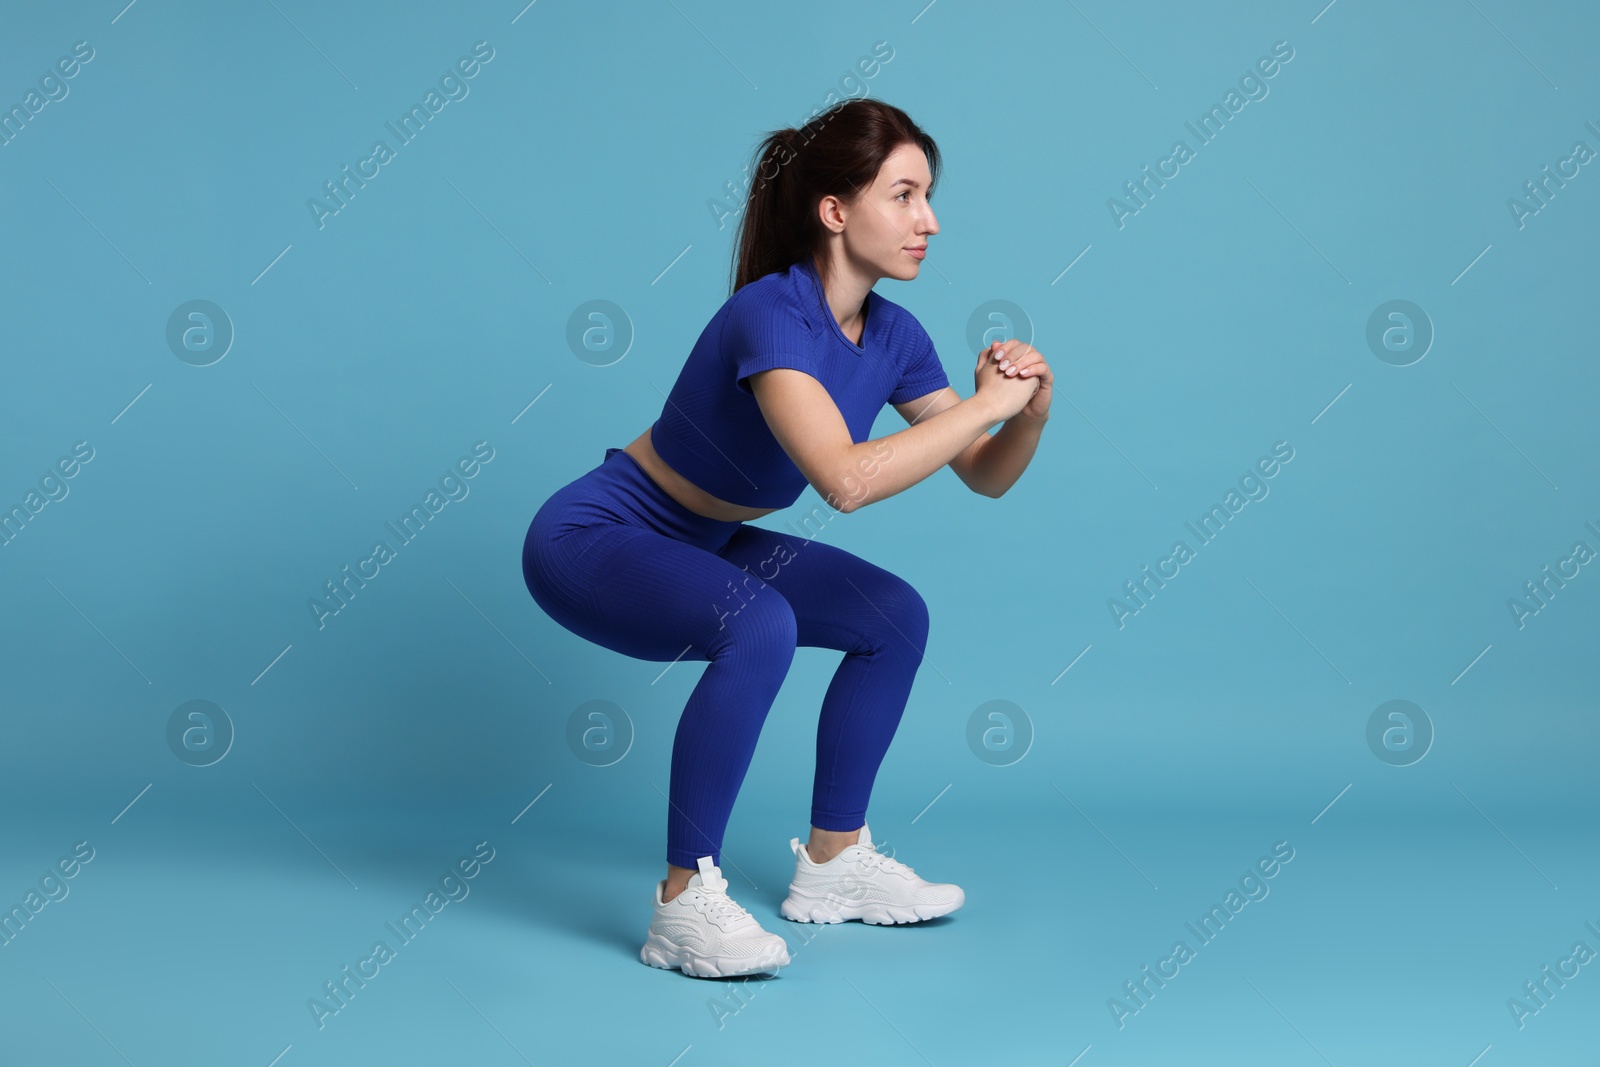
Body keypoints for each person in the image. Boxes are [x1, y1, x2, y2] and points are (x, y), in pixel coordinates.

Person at [521, 98, 1053, 979]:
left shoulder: (895, 334)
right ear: (835, 211)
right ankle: (682, 904)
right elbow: (844, 481)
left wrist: (1026, 414)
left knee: (893, 615)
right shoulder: (770, 316)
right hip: (598, 532)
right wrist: (986, 407)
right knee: (757, 621)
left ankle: (835, 865)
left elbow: (982, 472)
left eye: (928, 197)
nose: (930, 220)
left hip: (705, 541)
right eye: (906, 195)